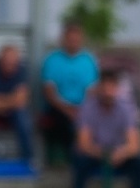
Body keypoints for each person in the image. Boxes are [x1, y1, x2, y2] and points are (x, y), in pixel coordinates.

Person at [71, 68, 140, 188]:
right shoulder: (88, 108)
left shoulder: (126, 108)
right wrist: (102, 154)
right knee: (79, 161)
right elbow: (83, 143)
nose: (107, 92)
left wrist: (120, 153)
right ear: (99, 88)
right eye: (104, 87)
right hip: (96, 153)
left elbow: (135, 145)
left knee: (139, 164)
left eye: (111, 87)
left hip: (118, 155)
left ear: (117, 88)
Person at [40, 21, 99, 166]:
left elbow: (92, 91)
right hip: (58, 106)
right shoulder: (52, 60)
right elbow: (49, 92)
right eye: (70, 39)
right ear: (63, 39)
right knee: (61, 119)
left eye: (76, 39)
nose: (73, 42)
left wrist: (82, 109)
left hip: (83, 106)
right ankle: (64, 158)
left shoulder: (89, 61)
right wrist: (67, 109)